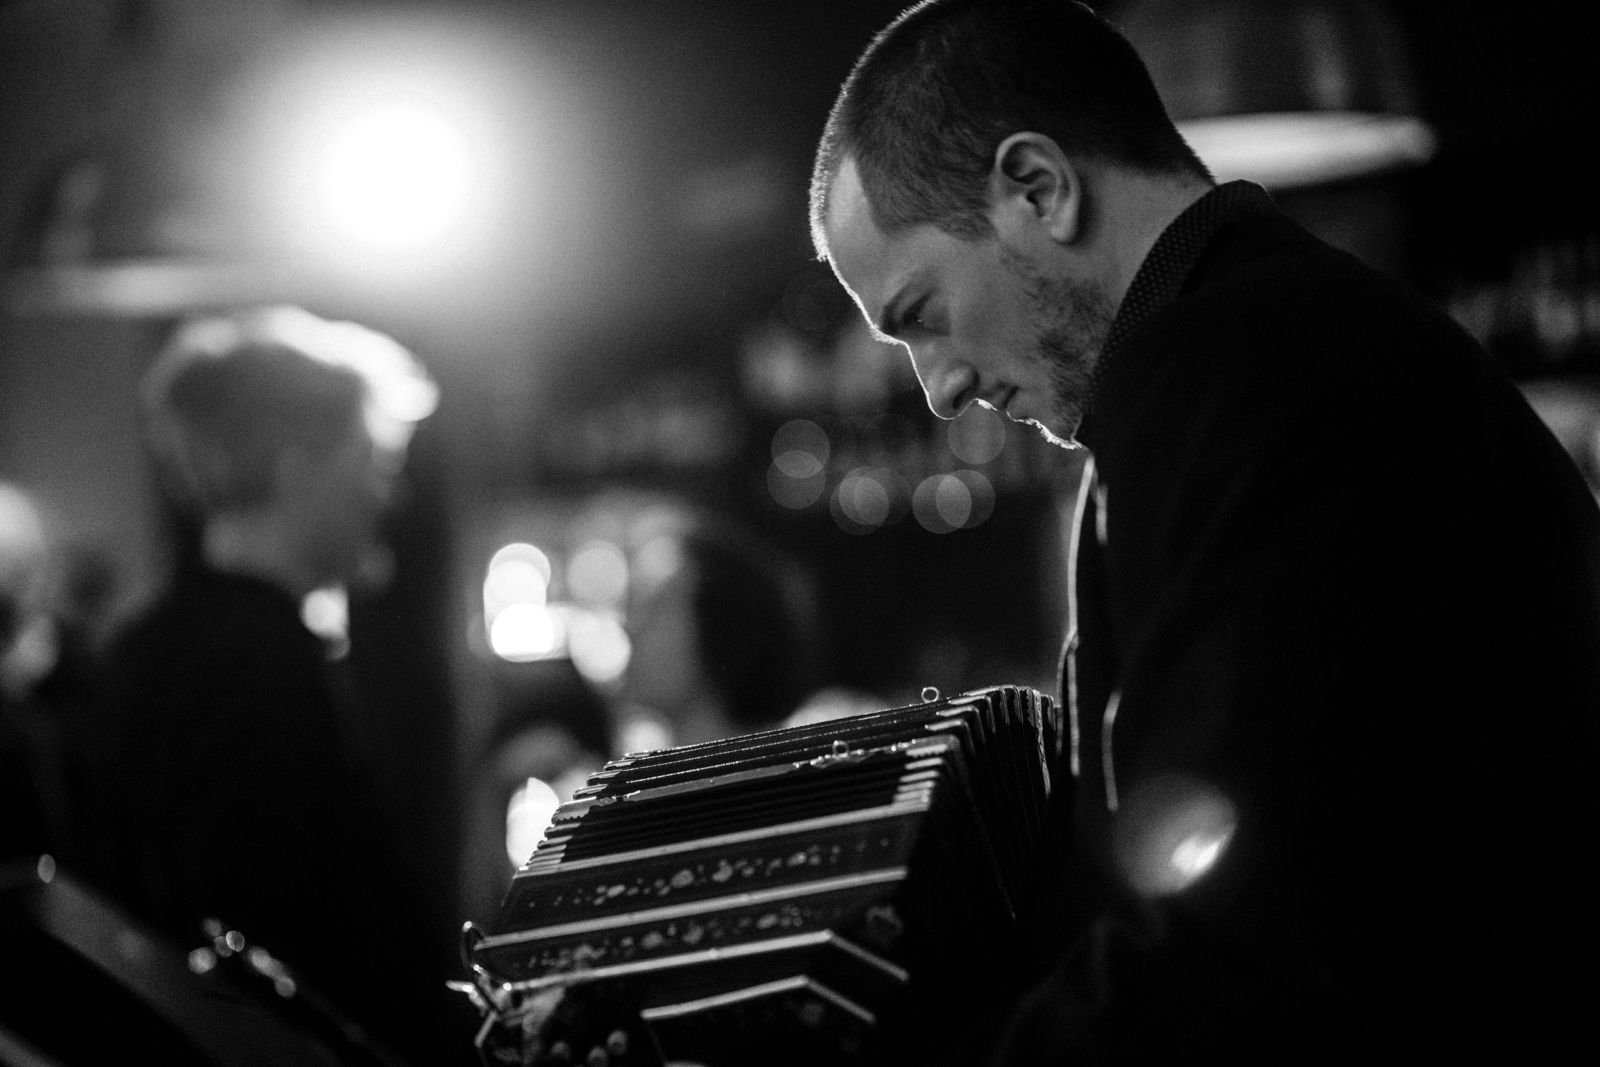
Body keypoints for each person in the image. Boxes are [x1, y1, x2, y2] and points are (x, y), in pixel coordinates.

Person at [810, 1, 1600, 1061]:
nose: (939, 387)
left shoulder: (1245, 375)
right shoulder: (1277, 339)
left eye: (921, 312)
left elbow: (1241, 936)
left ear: (1038, 187)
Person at [78, 306, 458, 1062]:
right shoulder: (260, 665)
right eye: (372, 461)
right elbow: (290, 943)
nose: (388, 496)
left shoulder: (146, 649)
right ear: (296, 467)